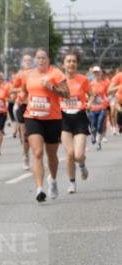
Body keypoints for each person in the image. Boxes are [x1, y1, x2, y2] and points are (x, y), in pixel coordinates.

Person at [19, 48, 69, 202]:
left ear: (48, 60)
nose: (40, 60)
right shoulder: (28, 75)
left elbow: (67, 94)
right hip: (33, 117)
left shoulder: (56, 73)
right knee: (38, 153)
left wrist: (52, 88)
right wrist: (22, 98)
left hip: (53, 118)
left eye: (44, 58)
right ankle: (39, 189)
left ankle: (52, 180)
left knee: (52, 155)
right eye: (38, 58)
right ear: (35, 60)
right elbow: (24, 92)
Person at [60, 49, 90, 194]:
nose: (71, 64)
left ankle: (82, 165)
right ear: (63, 64)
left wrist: (89, 102)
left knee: (78, 155)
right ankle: (72, 183)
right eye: (68, 61)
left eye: (74, 61)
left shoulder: (83, 80)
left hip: (79, 117)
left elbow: (91, 95)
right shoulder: (58, 81)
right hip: (63, 117)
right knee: (70, 153)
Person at [11, 53, 34, 170]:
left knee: (33, 133)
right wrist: (23, 89)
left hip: (34, 105)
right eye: (26, 60)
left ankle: (33, 153)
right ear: (22, 62)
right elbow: (12, 89)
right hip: (22, 105)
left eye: (30, 60)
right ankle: (25, 155)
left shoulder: (36, 73)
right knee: (24, 135)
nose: (28, 62)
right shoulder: (20, 74)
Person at [88, 65, 109, 150]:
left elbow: (108, 94)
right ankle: (93, 134)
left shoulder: (105, 83)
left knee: (100, 124)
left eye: (98, 72)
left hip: (102, 107)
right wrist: (88, 101)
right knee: (93, 125)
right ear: (93, 74)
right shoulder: (90, 84)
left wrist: (106, 101)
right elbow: (87, 94)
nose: (96, 74)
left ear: (101, 73)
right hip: (93, 108)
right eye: (95, 72)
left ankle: (98, 142)